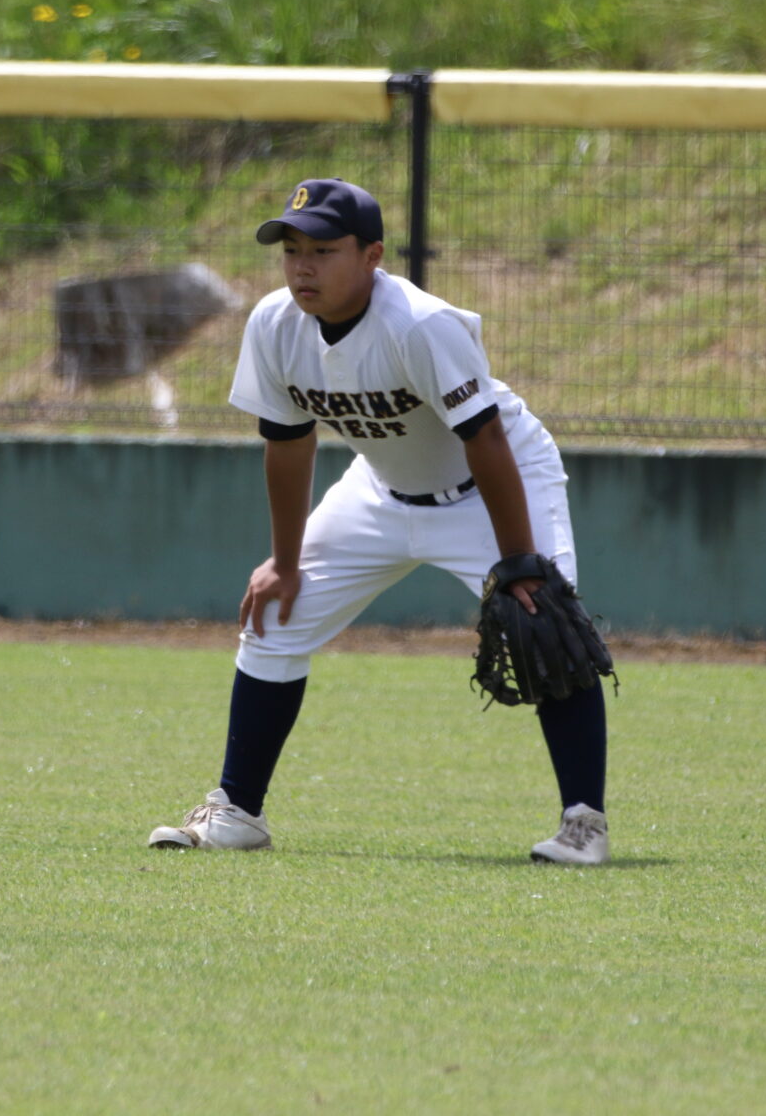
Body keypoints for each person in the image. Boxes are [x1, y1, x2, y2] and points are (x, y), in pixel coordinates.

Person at [146, 178, 611, 865]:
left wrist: (518, 563)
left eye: (325, 250)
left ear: (372, 256)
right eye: (293, 249)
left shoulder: (419, 325)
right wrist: (286, 558)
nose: (304, 266)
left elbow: (486, 441)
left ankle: (584, 825)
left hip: (492, 486)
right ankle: (237, 811)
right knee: (274, 614)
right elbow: (287, 446)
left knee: (546, 626)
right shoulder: (275, 325)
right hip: (381, 490)